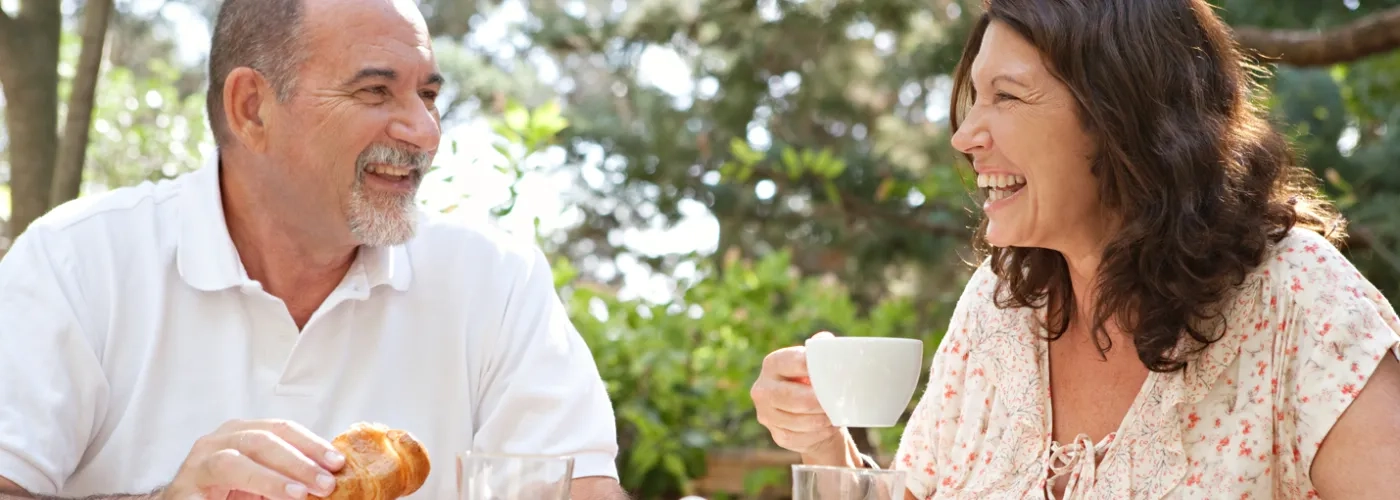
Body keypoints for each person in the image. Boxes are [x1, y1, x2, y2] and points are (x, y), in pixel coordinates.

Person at [750, 0, 1400, 498]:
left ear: (1122, 115)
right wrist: (825, 445)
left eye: (1006, 96)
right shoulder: (999, 306)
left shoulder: (1299, 303)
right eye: (975, 98)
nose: (965, 135)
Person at [0, 1, 628, 499]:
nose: (425, 131)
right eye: (375, 92)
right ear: (252, 109)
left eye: (429, 95)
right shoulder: (76, 264)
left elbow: (573, 488)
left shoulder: (496, 281)